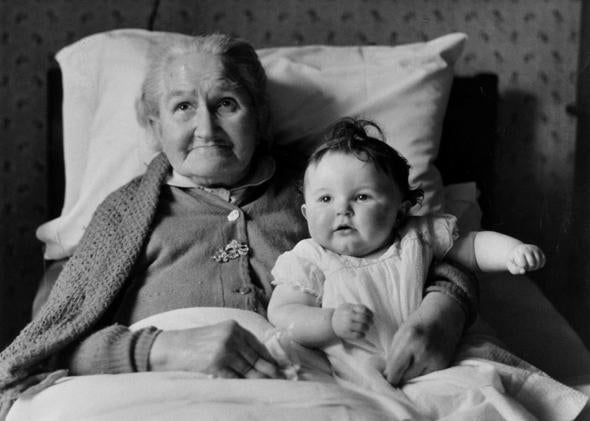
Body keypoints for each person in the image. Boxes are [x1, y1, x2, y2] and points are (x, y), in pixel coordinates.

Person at [0, 34, 477, 415]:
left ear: (262, 117)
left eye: (226, 103)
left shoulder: (325, 189)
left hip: (307, 390)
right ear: (153, 126)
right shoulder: (124, 214)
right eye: (182, 107)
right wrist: (162, 350)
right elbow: (58, 343)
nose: (206, 128)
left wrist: (444, 311)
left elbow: (420, 248)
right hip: (158, 392)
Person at [268, 117, 546, 390]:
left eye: (361, 197)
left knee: (482, 390)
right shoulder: (310, 258)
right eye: (325, 198)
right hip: (357, 379)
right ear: (306, 213)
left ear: (399, 210)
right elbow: (283, 313)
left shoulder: (418, 237)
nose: (343, 209)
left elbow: (472, 246)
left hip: (437, 365)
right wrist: (330, 322)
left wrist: (512, 251)